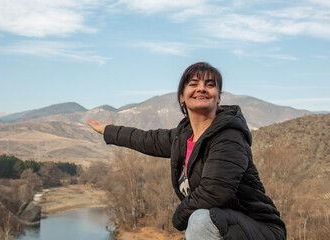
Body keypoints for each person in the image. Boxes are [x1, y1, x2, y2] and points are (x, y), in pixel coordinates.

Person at [87, 62, 286, 239]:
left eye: (210, 84)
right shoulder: (183, 137)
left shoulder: (229, 136)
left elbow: (215, 192)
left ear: (218, 98)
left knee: (199, 219)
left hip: (260, 230)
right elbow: (146, 139)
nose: (202, 88)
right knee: (200, 219)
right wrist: (108, 131)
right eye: (193, 84)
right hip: (226, 228)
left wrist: (179, 216)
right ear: (182, 97)